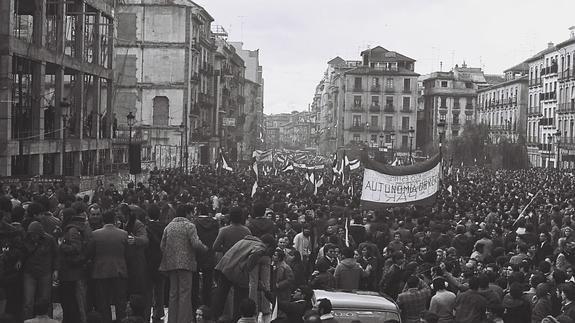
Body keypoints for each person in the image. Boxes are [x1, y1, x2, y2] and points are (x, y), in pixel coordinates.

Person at [159, 204, 207, 323]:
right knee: (185, 293)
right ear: (186, 213)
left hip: (171, 264)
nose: (192, 215)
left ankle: (172, 320)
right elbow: (195, 243)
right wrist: (204, 247)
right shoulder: (190, 226)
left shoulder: (169, 226)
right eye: (191, 213)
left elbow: (162, 246)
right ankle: (183, 320)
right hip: (186, 264)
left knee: (173, 293)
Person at [214, 233, 275, 321]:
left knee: (220, 298)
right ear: (268, 245)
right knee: (239, 300)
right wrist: (246, 272)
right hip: (237, 272)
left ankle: (214, 319)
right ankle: (236, 320)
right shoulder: (261, 248)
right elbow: (250, 262)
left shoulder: (245, 241)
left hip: (224, 267)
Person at [86, 210, 129, 323]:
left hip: (101, 271)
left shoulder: (95, 234)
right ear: (114, 220)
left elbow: (89, 253)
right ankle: (121, 320)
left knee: (103, 303)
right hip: (119, 270)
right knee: (120, 301)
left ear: (103, 220)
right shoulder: (123, 234)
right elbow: (128, 254)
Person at [21, 221, 58, 320]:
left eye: (35, 235)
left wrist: (56, 270)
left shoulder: (49, 239)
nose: (33, 237)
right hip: (30, 272)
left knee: (46, 301)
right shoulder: (25, 239)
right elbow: (22, 253)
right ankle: (28, 320)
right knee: (28, 302)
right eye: (32, 235)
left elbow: (56, 255)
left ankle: (48, 320)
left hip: (45, 272)